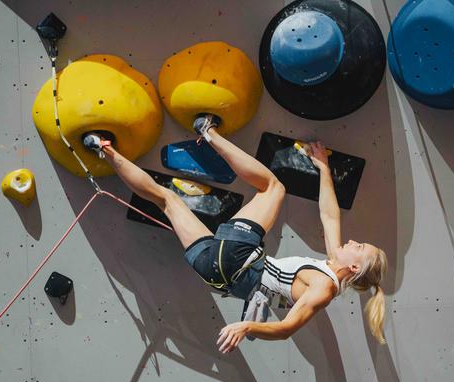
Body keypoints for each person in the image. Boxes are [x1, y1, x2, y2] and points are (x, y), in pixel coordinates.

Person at [84, 114, 388, 353]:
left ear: (355, 268)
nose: (352, 241)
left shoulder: (323, 289)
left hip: (239, 255)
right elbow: (329, 214)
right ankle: (103, 149)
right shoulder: (331, 266)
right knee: (167, 200)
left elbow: (287, 329)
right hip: (214, 274)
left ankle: (208, 132)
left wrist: (246, 328)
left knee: (273, 187)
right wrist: (323, 168)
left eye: (359, 246)